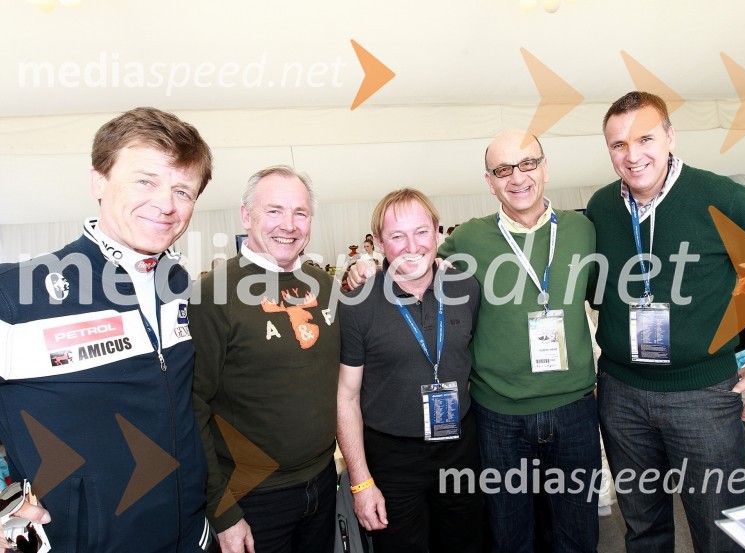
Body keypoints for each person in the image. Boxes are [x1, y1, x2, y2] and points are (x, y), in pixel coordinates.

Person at [348, 129, 600, 553]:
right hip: (499, 415)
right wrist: (366, 264)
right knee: (507, 534)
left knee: (577, 532)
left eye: (527, 164)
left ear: (545, 168)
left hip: (573, 407)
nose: (517, 177)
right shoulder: (468, 240)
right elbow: (415, 255)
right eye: (503, 169)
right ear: (489, 181)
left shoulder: (583, 229)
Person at [586, 91, 745, 552]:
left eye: (645, 138)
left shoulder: (720, 196)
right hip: (621, 395)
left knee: (719, 529)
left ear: (669, 136)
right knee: (643, 529)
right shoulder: (603, 206)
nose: (633, 155)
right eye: (618, 145)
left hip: (702, 398)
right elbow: (595, 288)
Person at [0, 107, 216, 552]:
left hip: (190, 534)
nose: (167, 204)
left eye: (183, 189)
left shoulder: (177, 286)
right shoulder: (17, 294)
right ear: (99, 181)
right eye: (145, 180)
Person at [190, 165, 339, 553]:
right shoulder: (212, 294)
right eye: (274, 211)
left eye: (300, 213)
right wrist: (221, 510)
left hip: (323, 482)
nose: (288, 225)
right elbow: (191, 407)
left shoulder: (325, 286)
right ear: (246, 216)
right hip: (252, 498)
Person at [338, 188, 483, 553]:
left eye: (421, 231)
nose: (411, 245)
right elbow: (346, 396)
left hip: (459, 448)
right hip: (392, 458)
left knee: (466, 543)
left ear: (437, 232)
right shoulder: (357, 303)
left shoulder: (466, 287)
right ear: (380, 243)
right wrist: (361, 482)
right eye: (396, 236)